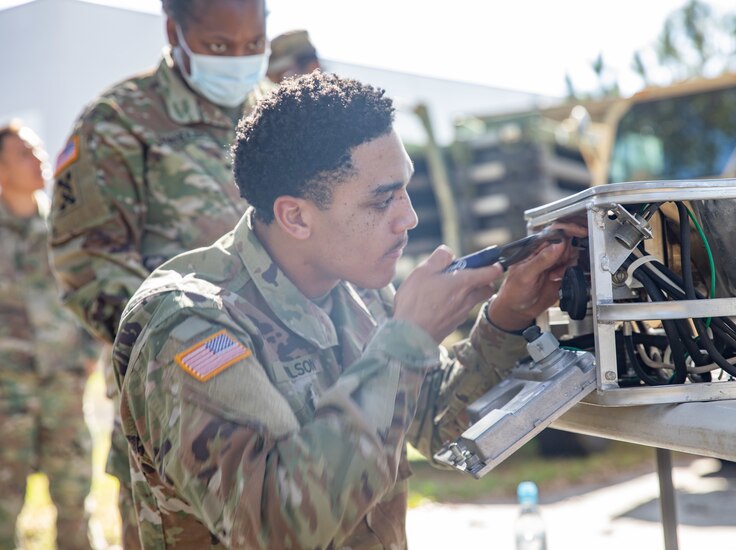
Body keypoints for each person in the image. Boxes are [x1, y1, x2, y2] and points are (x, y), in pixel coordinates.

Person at [112, 71, 586, 549]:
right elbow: (278, 527)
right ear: (295, 216)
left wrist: (507, 317)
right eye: (382, 201)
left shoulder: (357, 292)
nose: (408, 218)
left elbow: (437, 426)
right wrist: (407, 340)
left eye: (404, 190)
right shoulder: (188, 325)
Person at [47, 0, 272, 547]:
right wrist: (206, 351)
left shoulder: (273, 116)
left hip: (291, 405)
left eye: (253, 44)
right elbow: (89, 267)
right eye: (220, 46)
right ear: (175, 31)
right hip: (177, 416)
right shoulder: (119, 122)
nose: (239, 59)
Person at [0, 122, 98, 550]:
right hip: (7, 388)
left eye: (38, 148)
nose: (38, 157)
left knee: (75, 491)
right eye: (23, 153)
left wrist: (90, 354)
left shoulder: (68, 230)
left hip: (64, 378)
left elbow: (94, 292)